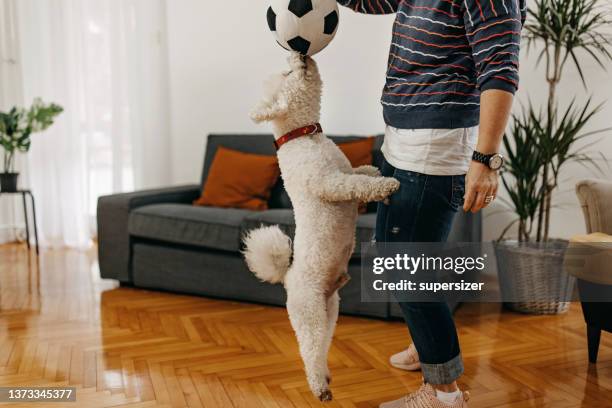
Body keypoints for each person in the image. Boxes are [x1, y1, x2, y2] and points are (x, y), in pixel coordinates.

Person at [337, 0, 525, 407]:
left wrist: (486, 160)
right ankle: (427, 348)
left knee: (405, 272)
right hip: (402, 141)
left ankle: (444, 394)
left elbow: (500, 69)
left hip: (434, 149)